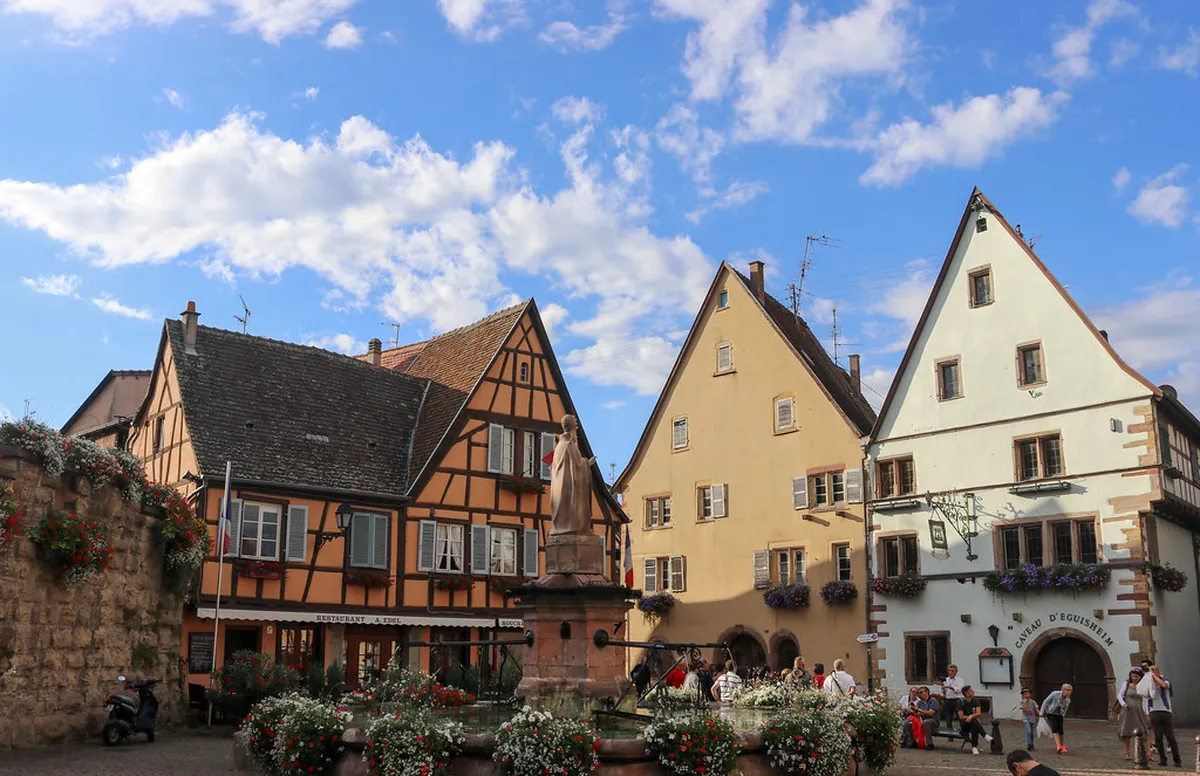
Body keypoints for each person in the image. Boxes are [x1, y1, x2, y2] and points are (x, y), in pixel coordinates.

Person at [1138, 661, 1180, 768]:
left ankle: (1177, 760)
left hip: (1166, 712)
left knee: (1170, 737)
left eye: (1153, 670)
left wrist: (1154, 675)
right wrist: (1148, 676)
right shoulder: (1148, 681)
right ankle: (1163, 759)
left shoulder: (1164, 679)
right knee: (1158, 737)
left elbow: (1164, 685)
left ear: (1157, 671)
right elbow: (1142, 690)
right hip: (1154, 712)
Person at [1116, 667, 1148, 761]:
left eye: (1136, 676)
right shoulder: (1126, 684)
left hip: (1138, 711)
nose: (1134, 678)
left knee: (1142, 731)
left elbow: (1145, 700)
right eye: (1133, 676)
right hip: (1127, 711)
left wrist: (1146, 712)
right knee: (1126, 732)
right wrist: (1123, 704)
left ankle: (1147, 753)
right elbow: (1120, 695)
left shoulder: (1142, 686)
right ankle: (1127, 753)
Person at [957, 685, 994, 755]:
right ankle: (984, 735)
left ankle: (974, 747)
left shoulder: (975, 700)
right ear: (966, 693)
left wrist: (971, 716)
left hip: (973, 722)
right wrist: (970, 717)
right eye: (971, 691)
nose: (973, 692)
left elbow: (979, 713)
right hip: (965, 723)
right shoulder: (961, 702)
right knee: (975, 721)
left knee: (974, 725)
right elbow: (961, 716)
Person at [1039, 684, 1072, 754]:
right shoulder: (1054, 694)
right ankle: (1058, 746)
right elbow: (1046, 702)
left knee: (1061, 730)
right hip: (1050, 712)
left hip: (1059, 714)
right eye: (1067, 690)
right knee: (1054, 728)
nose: (1069, 692)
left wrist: (1063, 716)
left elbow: (1065, 709)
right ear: (1063, 690)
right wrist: (1041, 712)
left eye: (1070, 690)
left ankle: (1062, 745)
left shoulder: (1068, 700)